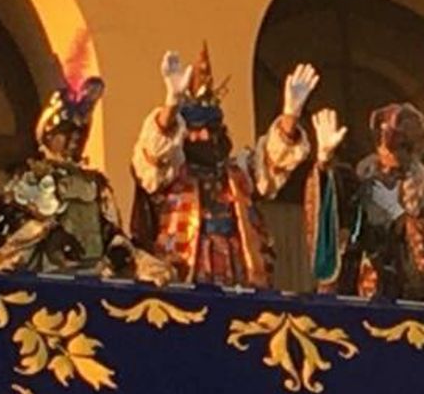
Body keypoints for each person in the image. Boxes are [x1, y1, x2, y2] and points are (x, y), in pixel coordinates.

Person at [130, 45, 317, 288]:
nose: (207, 136)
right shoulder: (171, 173)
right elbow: (153, 154)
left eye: (213, 129)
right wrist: (171, 104)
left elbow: (273, 163)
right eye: (198, 130)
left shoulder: (238, 172)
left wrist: (290, 115)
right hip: (184, 272)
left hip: (238, 270)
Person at [0, 75, 156, 279]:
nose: (76, 138)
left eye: (80, 132)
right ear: (49, 135)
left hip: (93, 276)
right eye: (68, 132)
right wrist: (48, 233)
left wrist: (119, 250)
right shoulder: (29, 176)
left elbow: (109, 229)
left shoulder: (96, 183)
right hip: (46, 277)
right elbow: (7, 225)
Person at [304, 103, 424, 304]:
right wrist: (324, 160)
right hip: (355, 299)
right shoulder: (360, 190)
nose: (387, 174)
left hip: (408, 309)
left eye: (400, 146)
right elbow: (331, 210)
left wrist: (400, 217)